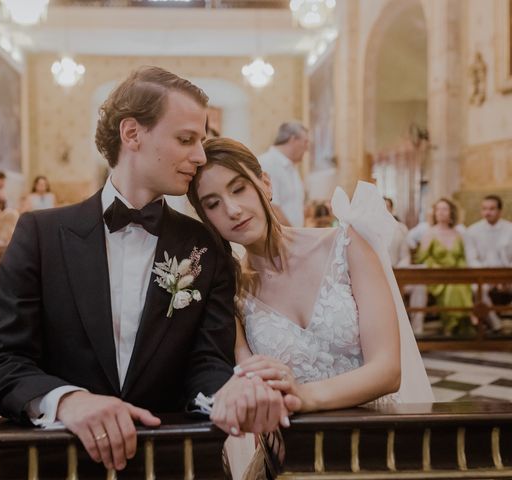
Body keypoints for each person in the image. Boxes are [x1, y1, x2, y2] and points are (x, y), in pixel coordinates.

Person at [0, 66, 287, 473]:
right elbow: (0, 362)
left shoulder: (205, 245)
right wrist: (68, 400)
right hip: (65, 461)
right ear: (132, 134)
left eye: (201, 141)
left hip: (177, 461)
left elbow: (207, 362)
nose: (199, 155)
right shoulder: (41, 234)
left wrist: (229, 393)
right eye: (186, 139)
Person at [187, 138, 432, 476]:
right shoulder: (230, 291)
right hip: (294, 457)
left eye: (239, 188)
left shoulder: (346, 245)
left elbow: (388, 370)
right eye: (213, 204)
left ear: (265, 182)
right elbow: (248, 374)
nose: (232, 210)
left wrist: (303, 395)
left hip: (375, 447)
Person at [415, 198, 474, 336]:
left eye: (445, 209)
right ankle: (450, 324)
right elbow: (422, 258)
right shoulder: (429, 233)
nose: (441, 212)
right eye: (438, 209)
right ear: (434, 213)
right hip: (436, 275)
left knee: (460, 286)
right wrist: (436, 267)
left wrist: (459, 271)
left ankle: (460, 324)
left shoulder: (458, 234)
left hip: (457, 274)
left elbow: (462, 257)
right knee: (451, 288)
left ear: (451, 212)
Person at [465, 195, 512, 332]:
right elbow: (471, 259)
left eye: (492, 209)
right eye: (485, 209)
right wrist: (488, 277)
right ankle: (496, 325)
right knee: (477, 290)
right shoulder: (472, 231)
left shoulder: (510, 229)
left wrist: (504, 278)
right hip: (482, 277)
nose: (488, 212)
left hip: (508, 275)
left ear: (499, 211)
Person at [258, 121, 309, 227]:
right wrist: (294, 236)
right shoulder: (267, 163)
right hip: (283, 238)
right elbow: (272, 206)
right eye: (305, 142)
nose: (307, 148)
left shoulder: (291, 167)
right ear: (293, 140)